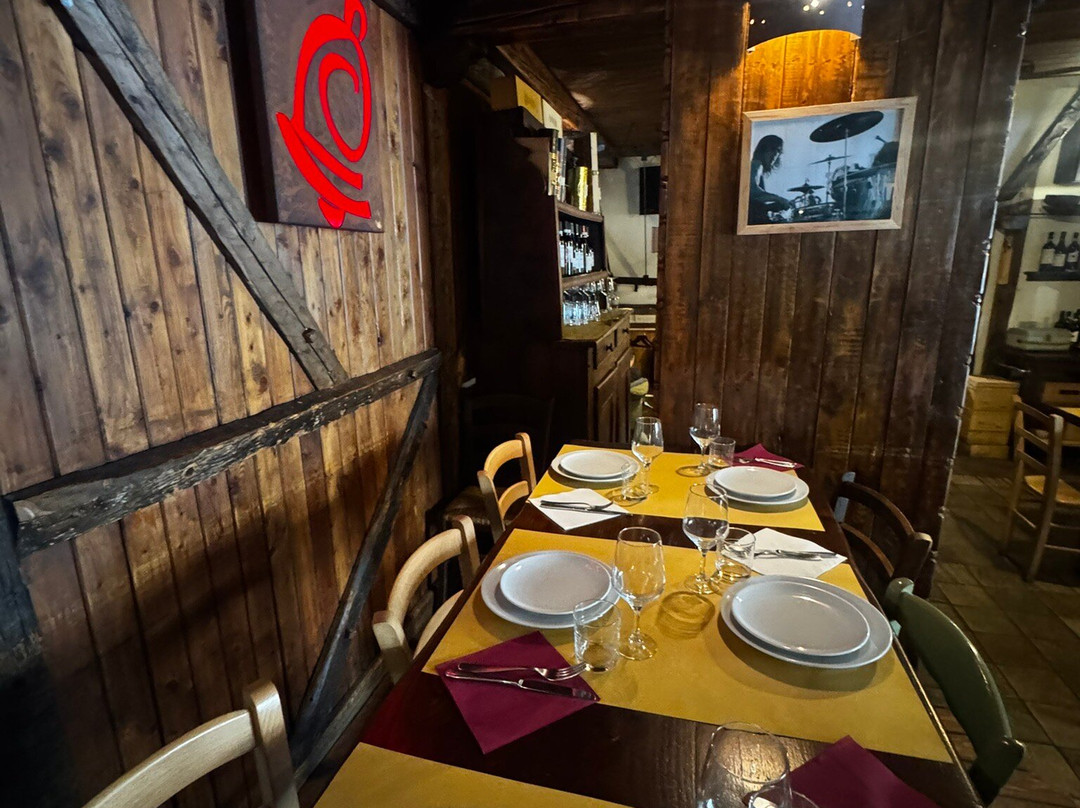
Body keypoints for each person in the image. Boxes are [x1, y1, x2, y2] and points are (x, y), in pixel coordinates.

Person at [748, 134, 792, 225]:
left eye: (778, 151)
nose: (775, 154)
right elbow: (752, 190)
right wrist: (779, 199)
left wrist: (772, 206)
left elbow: (755, 200)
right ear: (763, 150)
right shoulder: (757, 164)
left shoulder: (757, 167)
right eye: (772, 149)